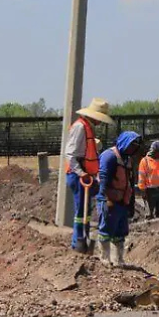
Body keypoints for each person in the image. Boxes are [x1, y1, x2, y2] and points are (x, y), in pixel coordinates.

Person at [64, 98, 114, 253]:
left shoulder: (88, 128)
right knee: (80, 212)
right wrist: (82, 173)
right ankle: (77, 242)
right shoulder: (80, 127)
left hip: (86, 176)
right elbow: (70, 154)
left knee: (85, 212)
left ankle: (83, 239)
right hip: (78, 175)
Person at [95, 131, 142, 267]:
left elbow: (130, 181)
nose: (132, 148)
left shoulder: (127, 160)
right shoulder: (109, 156)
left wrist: (131, 204)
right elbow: (103, 178)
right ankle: (104, 258)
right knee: (106, 229)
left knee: (120, 232)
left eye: (135, 146)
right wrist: (106, 199)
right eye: (131, 145)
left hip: (122, 200)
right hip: (109, 200)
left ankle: (119, 260)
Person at [138, 140, 159, 219]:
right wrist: (143, 191)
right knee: (149, 214)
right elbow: (141, 177)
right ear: (155, 151)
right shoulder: (145, 161)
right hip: (149, 191)